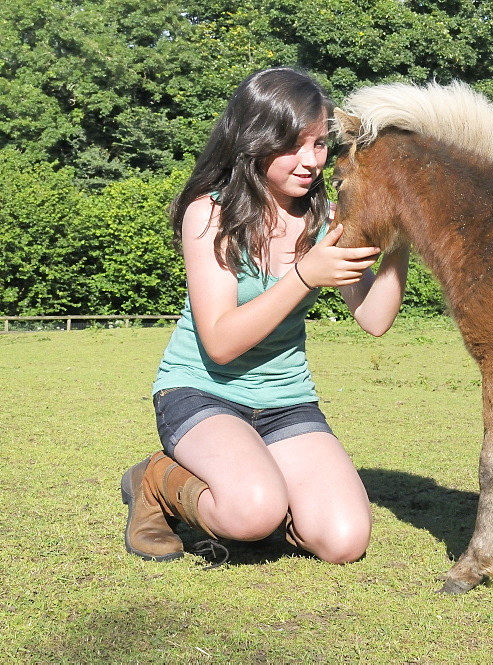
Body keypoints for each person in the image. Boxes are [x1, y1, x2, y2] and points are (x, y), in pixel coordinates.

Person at [120, 67, 409, 566]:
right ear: (254, 139)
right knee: (253, 513)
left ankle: (264, 493)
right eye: (294, 145)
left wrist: (402, 237)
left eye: (319, 145)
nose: (311, 162)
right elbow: (220, 343)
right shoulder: (210, 214)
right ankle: (156, 482)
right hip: (201, 390)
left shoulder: (326, 221)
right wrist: (303, 275)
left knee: (343, 541)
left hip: (286, 400)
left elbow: (375, 317)